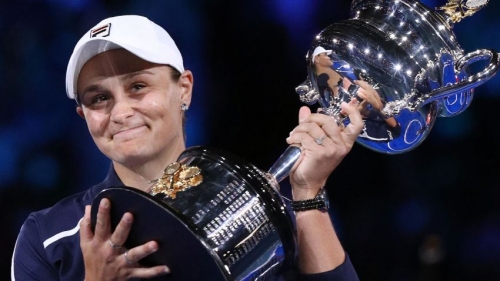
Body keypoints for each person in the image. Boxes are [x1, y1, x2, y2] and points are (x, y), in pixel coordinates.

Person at [11, 15, 363, 280]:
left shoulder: (267, 217)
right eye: (99, 98)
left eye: (137, 86)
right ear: (83, 115)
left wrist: (307, 193)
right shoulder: (49, 236)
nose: (119, 112)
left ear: (185, 89)